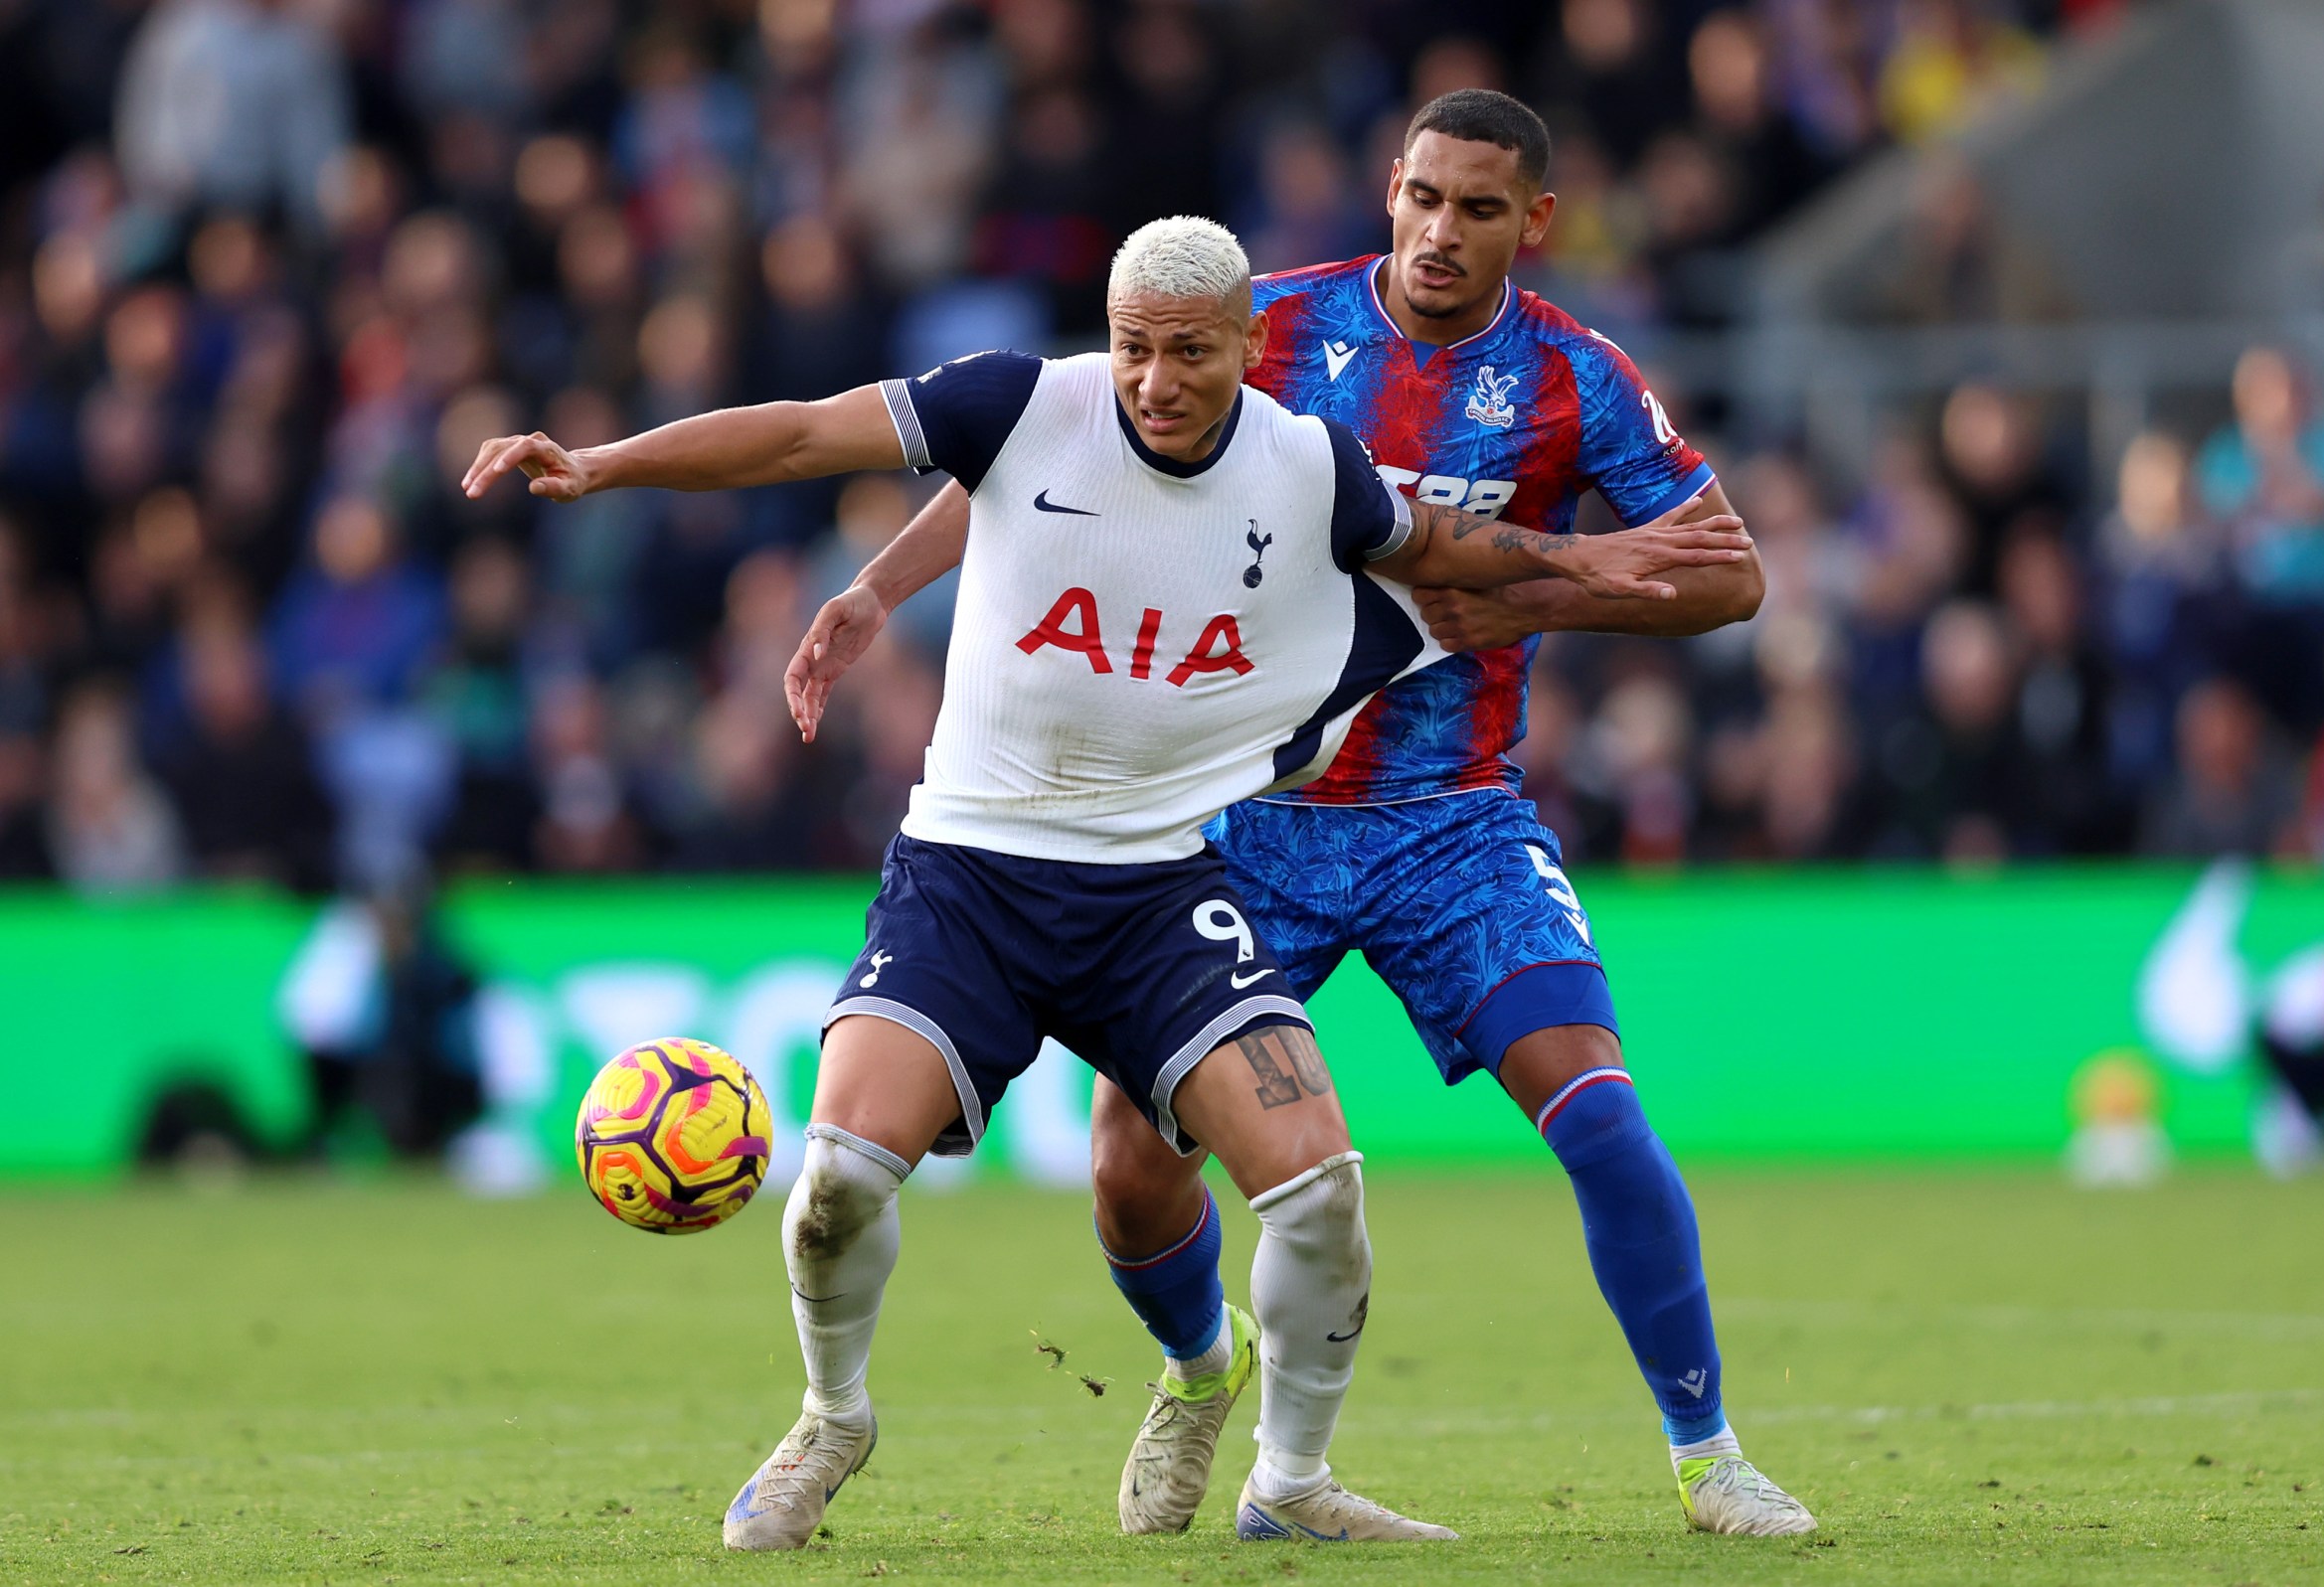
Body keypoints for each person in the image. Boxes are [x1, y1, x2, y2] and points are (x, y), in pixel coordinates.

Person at [463, 215, 1749, 1550]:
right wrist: (605, 466)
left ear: (1252, 350)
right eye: (1135, 347)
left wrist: (1591, 562)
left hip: (1155, 891)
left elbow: (1444, 552)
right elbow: (796, 435)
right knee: (840, 1175)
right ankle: (833, 1415)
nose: (1155, 378)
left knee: (1319, 1189)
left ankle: (1291, 1479)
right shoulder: (1021, 401)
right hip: (967, 876)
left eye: (1189, 352)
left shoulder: (1308, 467)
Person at [787, 89, 1816, 1538]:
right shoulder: (1261, 324)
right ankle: (1197, 1375)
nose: (1441, 231)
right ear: (1390, 190)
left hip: (1451, 815)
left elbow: (1726, 575)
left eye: (1478, 208)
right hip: (1241, 813)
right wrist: (882, 589)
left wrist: (1527, 588)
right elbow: (1034, 452)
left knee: (1596, 1104)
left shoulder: (1580, 381)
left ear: (1538, 223)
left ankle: (1712, 1458)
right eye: (1423, 198)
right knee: (1132, 1179)